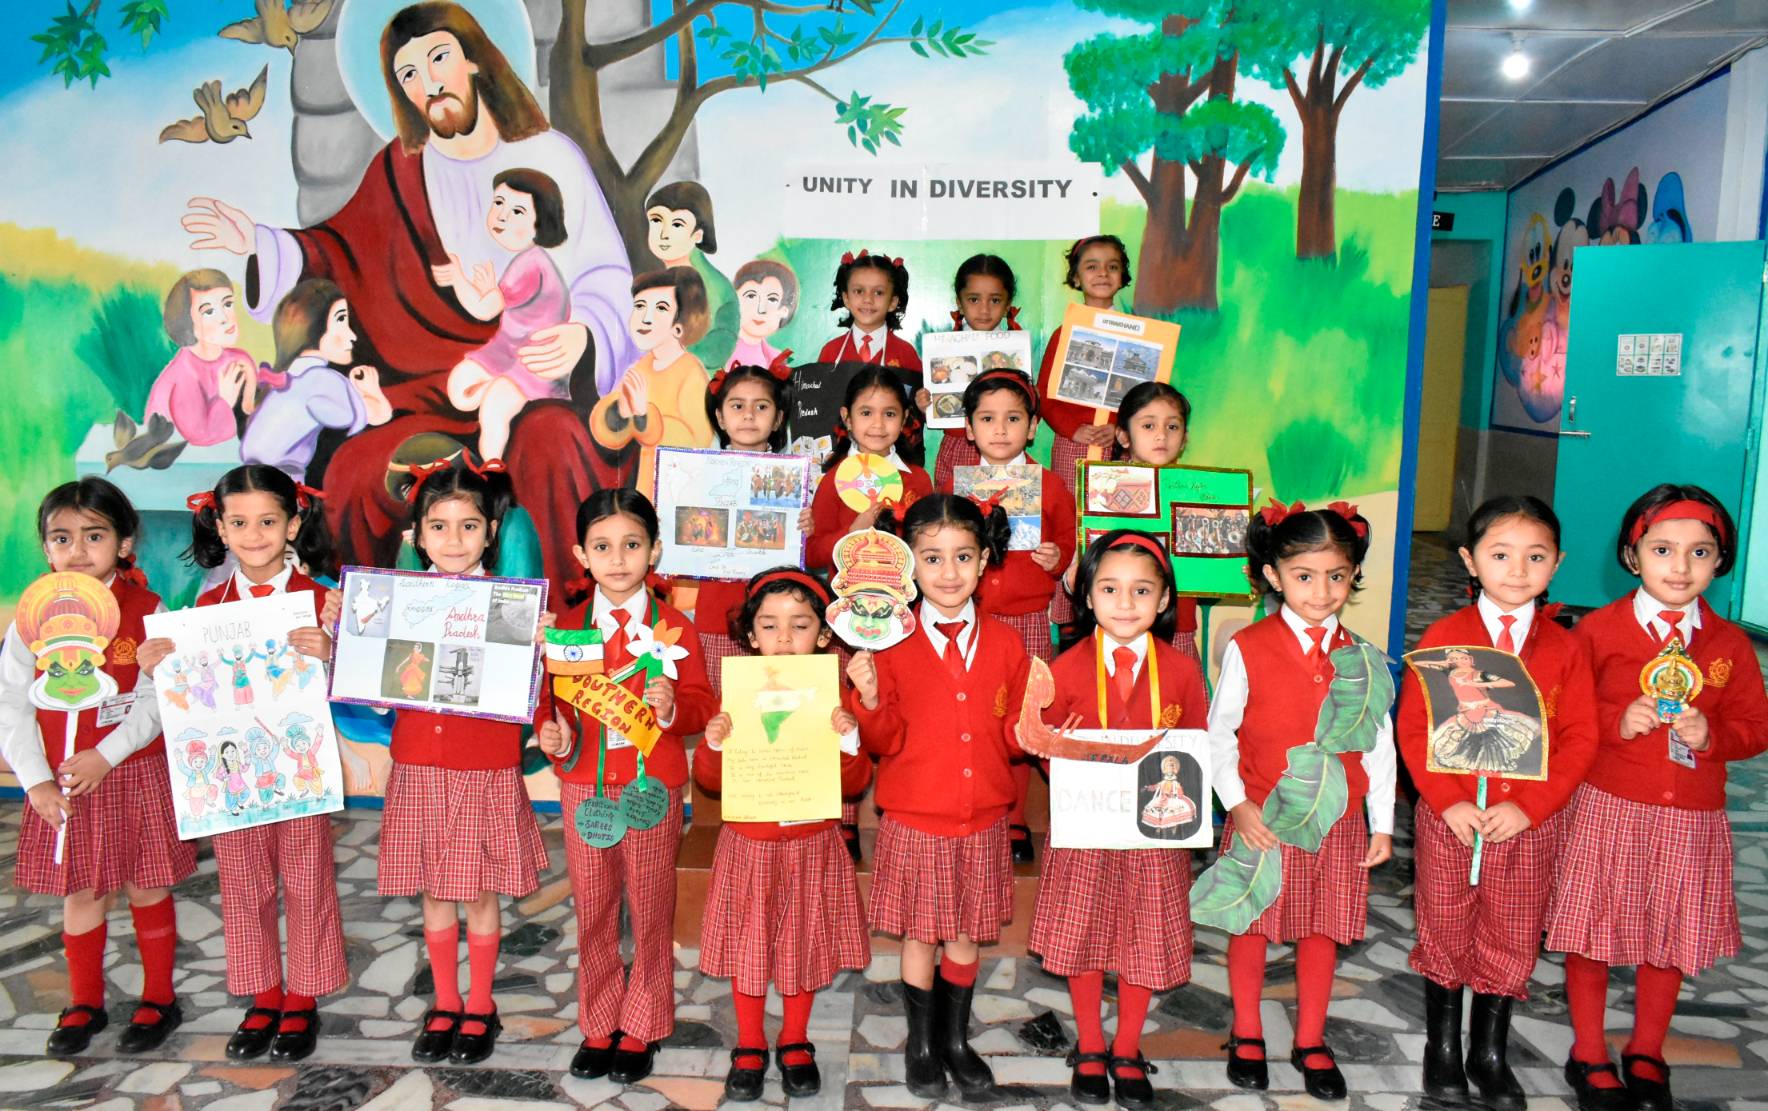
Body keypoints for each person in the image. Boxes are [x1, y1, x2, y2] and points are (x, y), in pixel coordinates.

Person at [182, 1, 637, 589]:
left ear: (475, 60)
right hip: (427, 389)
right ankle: (372, 628)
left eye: (439, 58)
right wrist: (260, 244)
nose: (428, 83)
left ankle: (558, 622)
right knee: (357, 470)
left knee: (552, 445)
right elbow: (338, 250)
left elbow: (605, 275)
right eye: (408, 74)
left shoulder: (552, 157)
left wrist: (584, 334)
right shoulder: (401, 168)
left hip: (534, 384)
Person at [1547, 485, 1768, 1111]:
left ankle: (1647, 1049)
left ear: (1720, 562)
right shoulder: (1597, 632)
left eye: (1700, 552)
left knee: (1669, 938)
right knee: (1591, 932)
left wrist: (1713, 734)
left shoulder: (1727, 645)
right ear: (1632, 555)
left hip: (1690, 817)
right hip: (1608, 807)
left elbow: (1756, 726)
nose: (1680, 566)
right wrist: (1616, 719)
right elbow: (1561, 713)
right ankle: (1589, 1052)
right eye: (1663, 549)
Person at [331, 459, 552, 1065]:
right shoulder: (395, 601)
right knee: (434, 890)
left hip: (484, 769)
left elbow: (533, 696)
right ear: (418, 536)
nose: (454, 540)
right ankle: (445, 1003)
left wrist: (541, 650)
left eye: (468, 526)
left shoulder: (512, 606)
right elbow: (375, 694)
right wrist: (348, 637)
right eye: (439, 526)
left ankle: (480, 1004)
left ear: (490, 533)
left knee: (477, 892)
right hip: (418, 766)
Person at [1396, 496, 1599, 1107]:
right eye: (1501, 554)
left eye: (1535, 557)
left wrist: (1531, 808)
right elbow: (1415, 728)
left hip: (1526, 824)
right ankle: (1442, 1048)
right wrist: (1447, 801)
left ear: (1557, 563)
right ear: (1470, 560)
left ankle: (1489, 1050)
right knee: (1445, 923)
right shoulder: (1444, 638)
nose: (1517, 570)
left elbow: (1581, 737)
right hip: (1452, 820)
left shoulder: (1565, 648)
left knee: (1512, 929)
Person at [139, 465, 345, 1062]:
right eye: (240, 522)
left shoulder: (324, 602)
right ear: (221, 528)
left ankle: (303, 994)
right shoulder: (205, 608)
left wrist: (332, 652)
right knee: (243, 884)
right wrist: (160, 667)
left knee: (307, 882)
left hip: (301, 774)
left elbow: (358, 684)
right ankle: (263, 994)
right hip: (232, 781)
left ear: (293, 525)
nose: (254, 535)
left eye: (268, 521)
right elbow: (187, 693)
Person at [1207, 501, 1396, 1101]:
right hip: (1263, 816)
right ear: (1273, 575)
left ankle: (1311, 1038)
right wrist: (1238, 804)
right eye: (1304, 576)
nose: (1321, 591)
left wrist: (1382, 822)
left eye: (1336, 576)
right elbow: (1219, 733)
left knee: (1322, 929)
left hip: (1337, 823)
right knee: (1251, 923)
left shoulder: (1364, 658)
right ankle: (1246, 1031)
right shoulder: (1249, 646)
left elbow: (1379, 744)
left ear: (1353, 576)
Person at [0, 478, 195, 1056]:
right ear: (46, 547)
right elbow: (11, 700)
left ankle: (159, 997)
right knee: (82, 891)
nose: (78, 550)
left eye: (94, 535)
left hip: (133, 772)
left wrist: (106, 755)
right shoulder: (31, 618)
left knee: (146, 884)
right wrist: (36, 779)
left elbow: (156, 698)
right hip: (64, 782)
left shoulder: (148, 610)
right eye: (62, 538)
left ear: (124, 543)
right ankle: (84, 1001)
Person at [849, 494, 1031, 1100]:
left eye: (963, 557)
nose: (948, 573)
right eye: (932, 558)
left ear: (985, 561)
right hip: (916, 818)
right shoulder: (888, 643)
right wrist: (868, 699)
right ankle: (921, 1043)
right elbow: (884, 740)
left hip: (983, 818)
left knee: (965, 934)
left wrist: (1040, 730)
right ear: (909, 565)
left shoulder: (1007, 643)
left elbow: (1013, 736)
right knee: (920, 935)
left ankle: (955, 1040)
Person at [537, 489, 716, 1085]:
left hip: (651, 790)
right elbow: (548, 706)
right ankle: (598, 1021)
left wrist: (672, 709)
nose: (617, 559)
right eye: (603, 547)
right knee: (593, 908)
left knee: (651, 907)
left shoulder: (675, 628)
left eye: (632, 545)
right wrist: (553, 734)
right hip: (584, 788)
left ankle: (643, 1022)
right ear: (580, 555)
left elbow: (701, 704)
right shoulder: (566, 629)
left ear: (655, 550)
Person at [1028, 530, 1208, 1108]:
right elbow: (1044, 747)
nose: (1125, 603)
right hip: (1086, 831)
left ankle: (1127, 1046)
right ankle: (1088, 1043)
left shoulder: (1182, 671)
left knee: (1144, 940)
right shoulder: (1064, 669)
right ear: (1086, 597)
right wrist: (1060, 757)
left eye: (1141, 590)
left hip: (1155, 837)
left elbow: (1196, 746)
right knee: (1083, 935)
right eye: (1109, 589)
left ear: (1164, 600)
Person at [694, 568, 872, 1101]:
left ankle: (795, 1039)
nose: (785, 637)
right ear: (751, 637)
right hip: (750, 842)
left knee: (803, 944)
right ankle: (749, 1042)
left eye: (800, 625)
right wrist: (715, 744)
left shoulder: (833, 696)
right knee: (749, 946)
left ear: (823, 635)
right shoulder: (738, 693)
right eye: (769, 626)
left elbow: (854, 785)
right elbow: (710, 781)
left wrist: (848, 742)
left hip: (811, 842)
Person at [937, 367, 1075, 864]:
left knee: (1021, 716)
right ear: (969, 429)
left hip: (1027, 619)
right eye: (987, 419)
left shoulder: (1050, 485)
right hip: (966, 619)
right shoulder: (955, 487)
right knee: (969, 714)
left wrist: (1055, 559)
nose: (1000, 429)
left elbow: (1068, 542)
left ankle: (1015, 818)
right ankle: (970, 806)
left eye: (1013, 419)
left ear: (1033, 427)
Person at [680, 363, 812, 698]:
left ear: (778, 419)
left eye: (761, 406)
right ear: (720, 418)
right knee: (722, 708)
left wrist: (806, 531)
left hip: (777, 622)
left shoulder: (795, 481)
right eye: (737, 406)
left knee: (773, 707)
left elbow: (806, 559)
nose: (749, 415)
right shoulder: (696, 476)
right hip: (717, 614)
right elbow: (687, 544)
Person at [434, 168, 572, 464]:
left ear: (539, 224)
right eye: (498, 203)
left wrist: (458, 277)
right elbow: (500, 302)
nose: (502, 216)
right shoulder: (524, 260)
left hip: (534, 361)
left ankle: (492, 469)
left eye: (517, 211)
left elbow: (484, 310)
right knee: (459, 386)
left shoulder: (532, 264)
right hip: (508, 349)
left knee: (494, 408)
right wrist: (487, 291)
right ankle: (497, 386)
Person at [240, 280, 391, 483]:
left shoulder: (289, 378)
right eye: (341, 320)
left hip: (255, 481)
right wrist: (370, 389)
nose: (352, 336)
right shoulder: (319, 380)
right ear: (312, 326)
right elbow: (377, 415)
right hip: (283, 486)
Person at [589, 267, 715, 498]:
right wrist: (621, 413)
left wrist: (643, 415)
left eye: (661, 308)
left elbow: (696, 440)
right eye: (640, 306)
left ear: (680, 325)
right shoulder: (642, 367)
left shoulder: (691, 371)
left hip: (681, 489)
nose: (645, 318)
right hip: (645, 485)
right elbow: (609, 433)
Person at [805, 366, 933, 572]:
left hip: (904, 590)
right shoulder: (834, 479)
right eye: (866, 413)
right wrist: (852, 533)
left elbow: (931, 546)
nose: (878, 424)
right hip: (847, 591)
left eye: (889, 414)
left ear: (904, 418)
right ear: (847, 418)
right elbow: (811, 554)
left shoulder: (919, 479)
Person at [1037, 236, 1133, 494]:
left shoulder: (1138, 336)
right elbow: (1044, 395)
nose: (1103, 273)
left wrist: (1121, 428)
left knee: (1120, 509)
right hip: (1073, 443)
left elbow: (1146, 398)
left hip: (1122, 444)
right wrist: (1073, 430)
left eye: (1112, 267)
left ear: (1122, 277)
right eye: (1092, 266)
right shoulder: (1064, 334)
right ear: (1076, 278)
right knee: (1072, 508)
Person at [924, 254, 1025, 489]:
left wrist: (1031, 397)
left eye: (995, 300)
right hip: (959, 445)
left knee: (1005, 506)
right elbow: (937, 407)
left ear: (1008, 304)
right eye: (974, 299)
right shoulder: (942, 349)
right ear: (959, 303)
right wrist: (925, 404)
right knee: (955, 510)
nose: (984, 309)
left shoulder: (1016, 350)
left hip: (1005, 446)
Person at [141, 269, 257, 446]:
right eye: (209, 312)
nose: (225, 318)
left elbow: (252, 414)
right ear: (186, 322)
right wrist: (225, 401)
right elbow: (201, 438)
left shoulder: (240, 359)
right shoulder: (183, 374)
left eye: (227, 304)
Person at [645, 181, 737, 372]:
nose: (664, 234)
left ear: (698, 235)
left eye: (677, 224)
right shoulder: (647, 277)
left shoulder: (713, 287)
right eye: (656, 220)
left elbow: (716, 351)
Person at [724, 259, 798, 376]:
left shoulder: (776, 359)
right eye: (751, 296)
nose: (761, 310)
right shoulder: (722, 351)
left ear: (784, 310)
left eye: (772, 299)